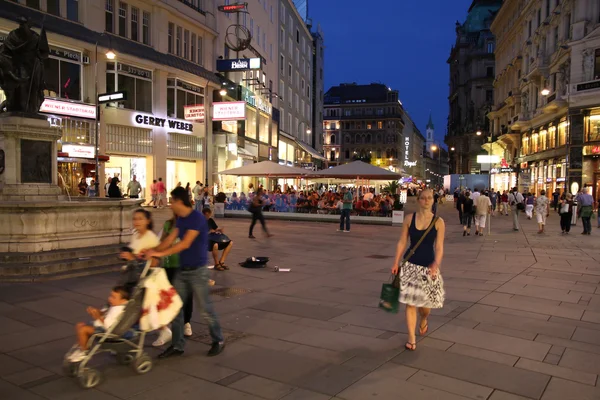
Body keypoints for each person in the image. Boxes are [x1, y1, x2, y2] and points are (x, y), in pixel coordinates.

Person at [144, 187, 225, 358]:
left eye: (171, 201)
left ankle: (218, 340)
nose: (170, 204)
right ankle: (177, 345)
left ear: (179, 201)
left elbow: (185, 244)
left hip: (198, 271)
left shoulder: (197, 218)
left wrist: (159, 254)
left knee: (205, 308)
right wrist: (153, 250)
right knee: (176, 309)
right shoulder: (181, 220)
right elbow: (170, 239)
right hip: (183, 270)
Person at [391, 189, 445, 351]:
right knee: (410, 304)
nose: (427, 200)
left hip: (428, 268)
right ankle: (411, 338)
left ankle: (424, 319)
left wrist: (436, 263)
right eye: (423, 198)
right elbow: (402, 242)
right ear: (418, 200)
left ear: (433, 200)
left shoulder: (438, 222)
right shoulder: (409, 219)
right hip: (410, 264)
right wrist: (396, 262)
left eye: (430, 198)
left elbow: (440, 247)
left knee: (425, 307)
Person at [153, 210, 195, 346]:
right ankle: (168, 328)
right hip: (169, 264)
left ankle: (186, 322)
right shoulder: (168, 224)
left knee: (187, 295)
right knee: (168, 296)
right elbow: (162, 241)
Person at [68, 286, 130, 362]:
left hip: (107, 330)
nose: (110, 299)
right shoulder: (116, 305)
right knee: (79, 325)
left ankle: (83, 352)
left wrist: (97, 317)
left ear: (123, 300)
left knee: (83, 330)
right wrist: (97, 312)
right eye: (110, 296)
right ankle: (82, 346)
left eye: (113, 297)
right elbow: (104, 312)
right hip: (101, 325)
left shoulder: (118, 310)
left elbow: (108, 326)